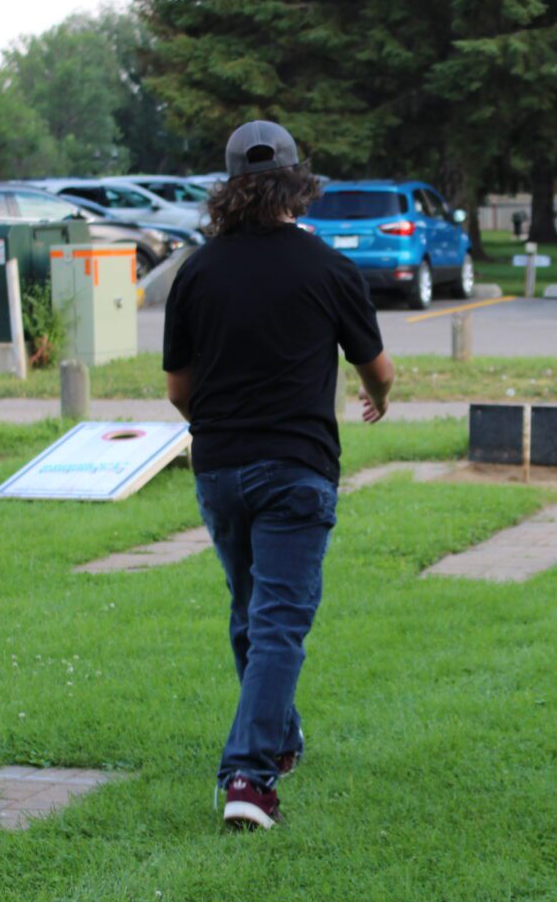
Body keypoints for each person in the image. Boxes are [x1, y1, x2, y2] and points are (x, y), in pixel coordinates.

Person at [163, 121, 396, 830]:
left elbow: (178, 389)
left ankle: (280, 740)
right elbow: (375, 368)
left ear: (229, 185)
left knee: (251, 612)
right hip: (298, 467)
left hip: (221, 468)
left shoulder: (198, 271)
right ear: (299, 179)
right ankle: (250, 776)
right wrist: (379, 399)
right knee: (277, 623)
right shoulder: (327, 268)